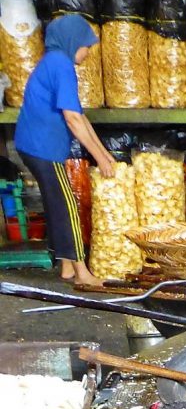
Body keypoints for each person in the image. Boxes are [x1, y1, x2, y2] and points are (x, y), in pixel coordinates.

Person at [14, 14, 115, 286]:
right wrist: (98, 158)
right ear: (73, 41)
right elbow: (71, 119)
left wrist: (104, 154)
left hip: (33, 144)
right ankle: (82, 274)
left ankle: (67, 267)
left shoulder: (54, 62)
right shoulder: (61, 65)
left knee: (57, 204)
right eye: (87, 45)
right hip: (42, 147)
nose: (89, 51)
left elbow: (80, 118)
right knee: (67, 205)